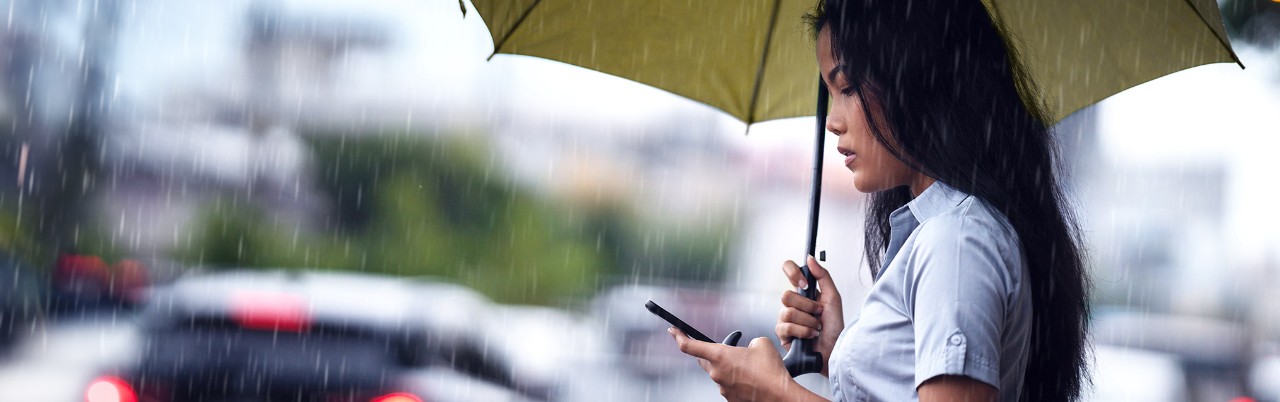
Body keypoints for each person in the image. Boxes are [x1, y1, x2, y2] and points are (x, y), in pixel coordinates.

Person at [667, 1, 1090, 401]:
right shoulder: (945, 232)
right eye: (831, 93)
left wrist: (774, 392)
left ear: (919, 79)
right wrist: (839, 352)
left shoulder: (955, 242)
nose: (833, 122)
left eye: (848, 86)